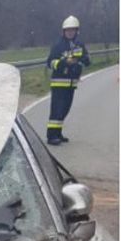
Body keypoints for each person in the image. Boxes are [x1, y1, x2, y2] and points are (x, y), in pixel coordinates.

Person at [45, 15, 91, 145]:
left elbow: (87, 59)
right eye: (68, 30)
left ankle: (58, 133)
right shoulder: (58, 45)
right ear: (64, 31)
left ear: (77, 31)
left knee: (65, 109)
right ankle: (51, 136)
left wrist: (81, 61)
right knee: (57, 109)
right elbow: (50, 62)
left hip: (71, 84)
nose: (70, 32)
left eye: (73, 30)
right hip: (59, 82)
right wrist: (64, 62)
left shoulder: (79, 45)